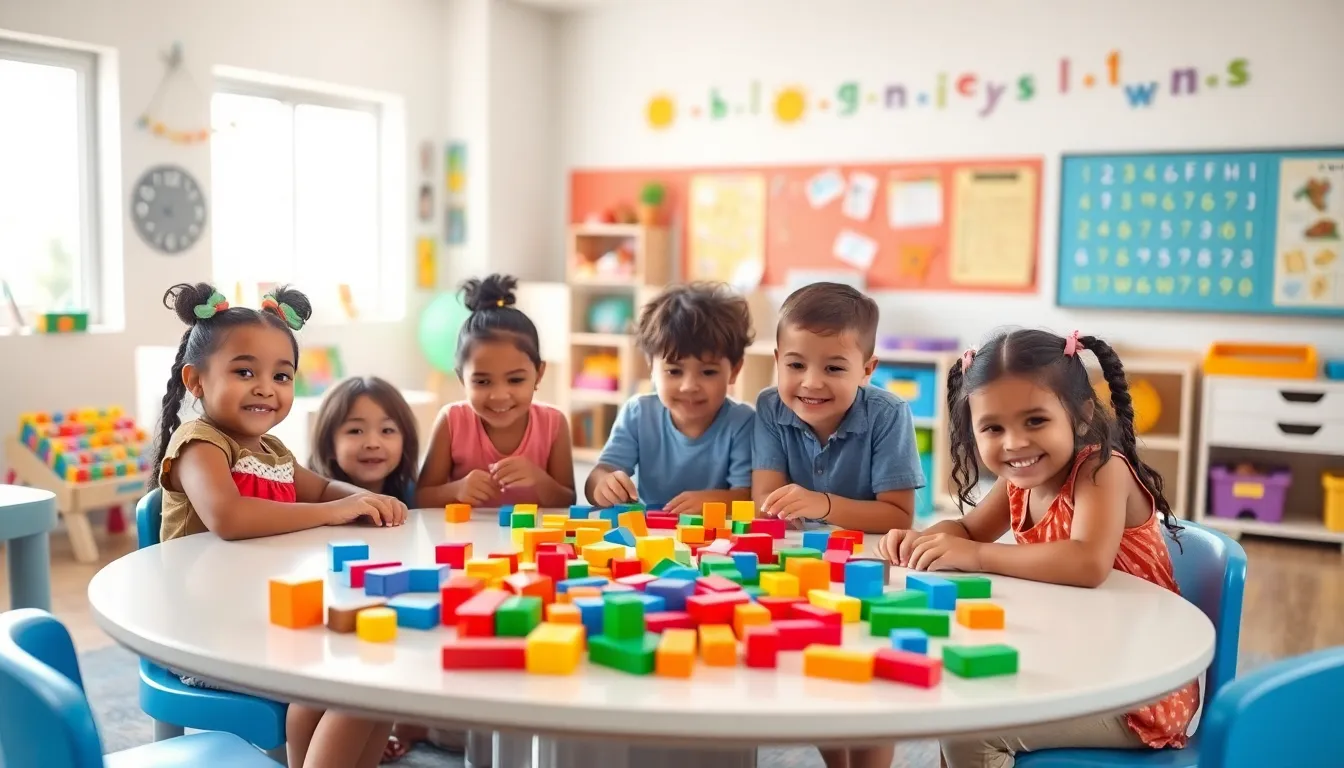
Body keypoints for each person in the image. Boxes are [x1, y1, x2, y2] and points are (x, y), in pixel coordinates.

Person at [875, 328, 1198, 768]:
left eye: (1035, 421)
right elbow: (969, 531)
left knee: (972, 734)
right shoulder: (1017, 482)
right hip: (1078, 664)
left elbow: (1087, 562)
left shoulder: (1101, 470)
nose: (1014, 443)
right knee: (955, 703)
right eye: (993, 427)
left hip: (1137, 690)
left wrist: (976, 556)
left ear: (1081, 415)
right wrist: (925, 538)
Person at [149, 282, 407, 768]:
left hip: (263, 622)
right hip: (208, 639)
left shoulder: (273, 452)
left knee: (373, 669)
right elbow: (230, 517)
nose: (266, 387)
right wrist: (332, 512)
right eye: (245, 371)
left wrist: (366, 498)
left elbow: (326, 489)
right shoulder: (200, 444)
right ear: (197, 381)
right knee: (361, 683)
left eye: (282, 376)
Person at [751, 282, 924, 768]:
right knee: (815, 663)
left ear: (867, 370)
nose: (811, 382)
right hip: (799, 559)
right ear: (778, 360)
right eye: (796, 364)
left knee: (870, 670)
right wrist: (799, 511)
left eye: (834, 367)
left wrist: (821, 504)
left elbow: (897, 516)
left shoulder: (889, 415)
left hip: (874, 560)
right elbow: (766, 501)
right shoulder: (768, 407)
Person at [585, 282, 756, 513]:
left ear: (734, 371)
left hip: (717, 536)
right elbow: (599, 474)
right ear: (651, 367)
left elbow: (748, 496)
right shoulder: (639, 413)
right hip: (651, 534)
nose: (689, 386)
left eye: (708, 372)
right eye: (674, 371)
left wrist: (712, 502)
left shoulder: (743, 422)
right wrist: (603, 485)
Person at [416, 274, 576, 509]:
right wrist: (456, 490)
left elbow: (568, 501)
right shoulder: (452, 421)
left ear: (538, 375)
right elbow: (420, 498)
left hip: (531, 542)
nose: (499, 395)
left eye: (515, 379)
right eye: (482, 382)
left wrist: (539, 480)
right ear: (462, 378)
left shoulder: (553, 424)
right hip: (464, 541)